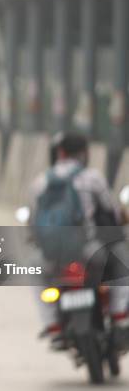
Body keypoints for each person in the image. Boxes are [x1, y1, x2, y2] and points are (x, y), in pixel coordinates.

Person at [29, 132, 129, 347]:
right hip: (90, 251)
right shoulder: (92, 177)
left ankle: (53, 325)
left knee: (35, 273)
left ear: (60, 152)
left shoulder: (40, 182)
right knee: (122, 262)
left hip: (53, 255)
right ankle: (119, 315)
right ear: (85, 153)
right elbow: (110, 211)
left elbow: (33, 222)